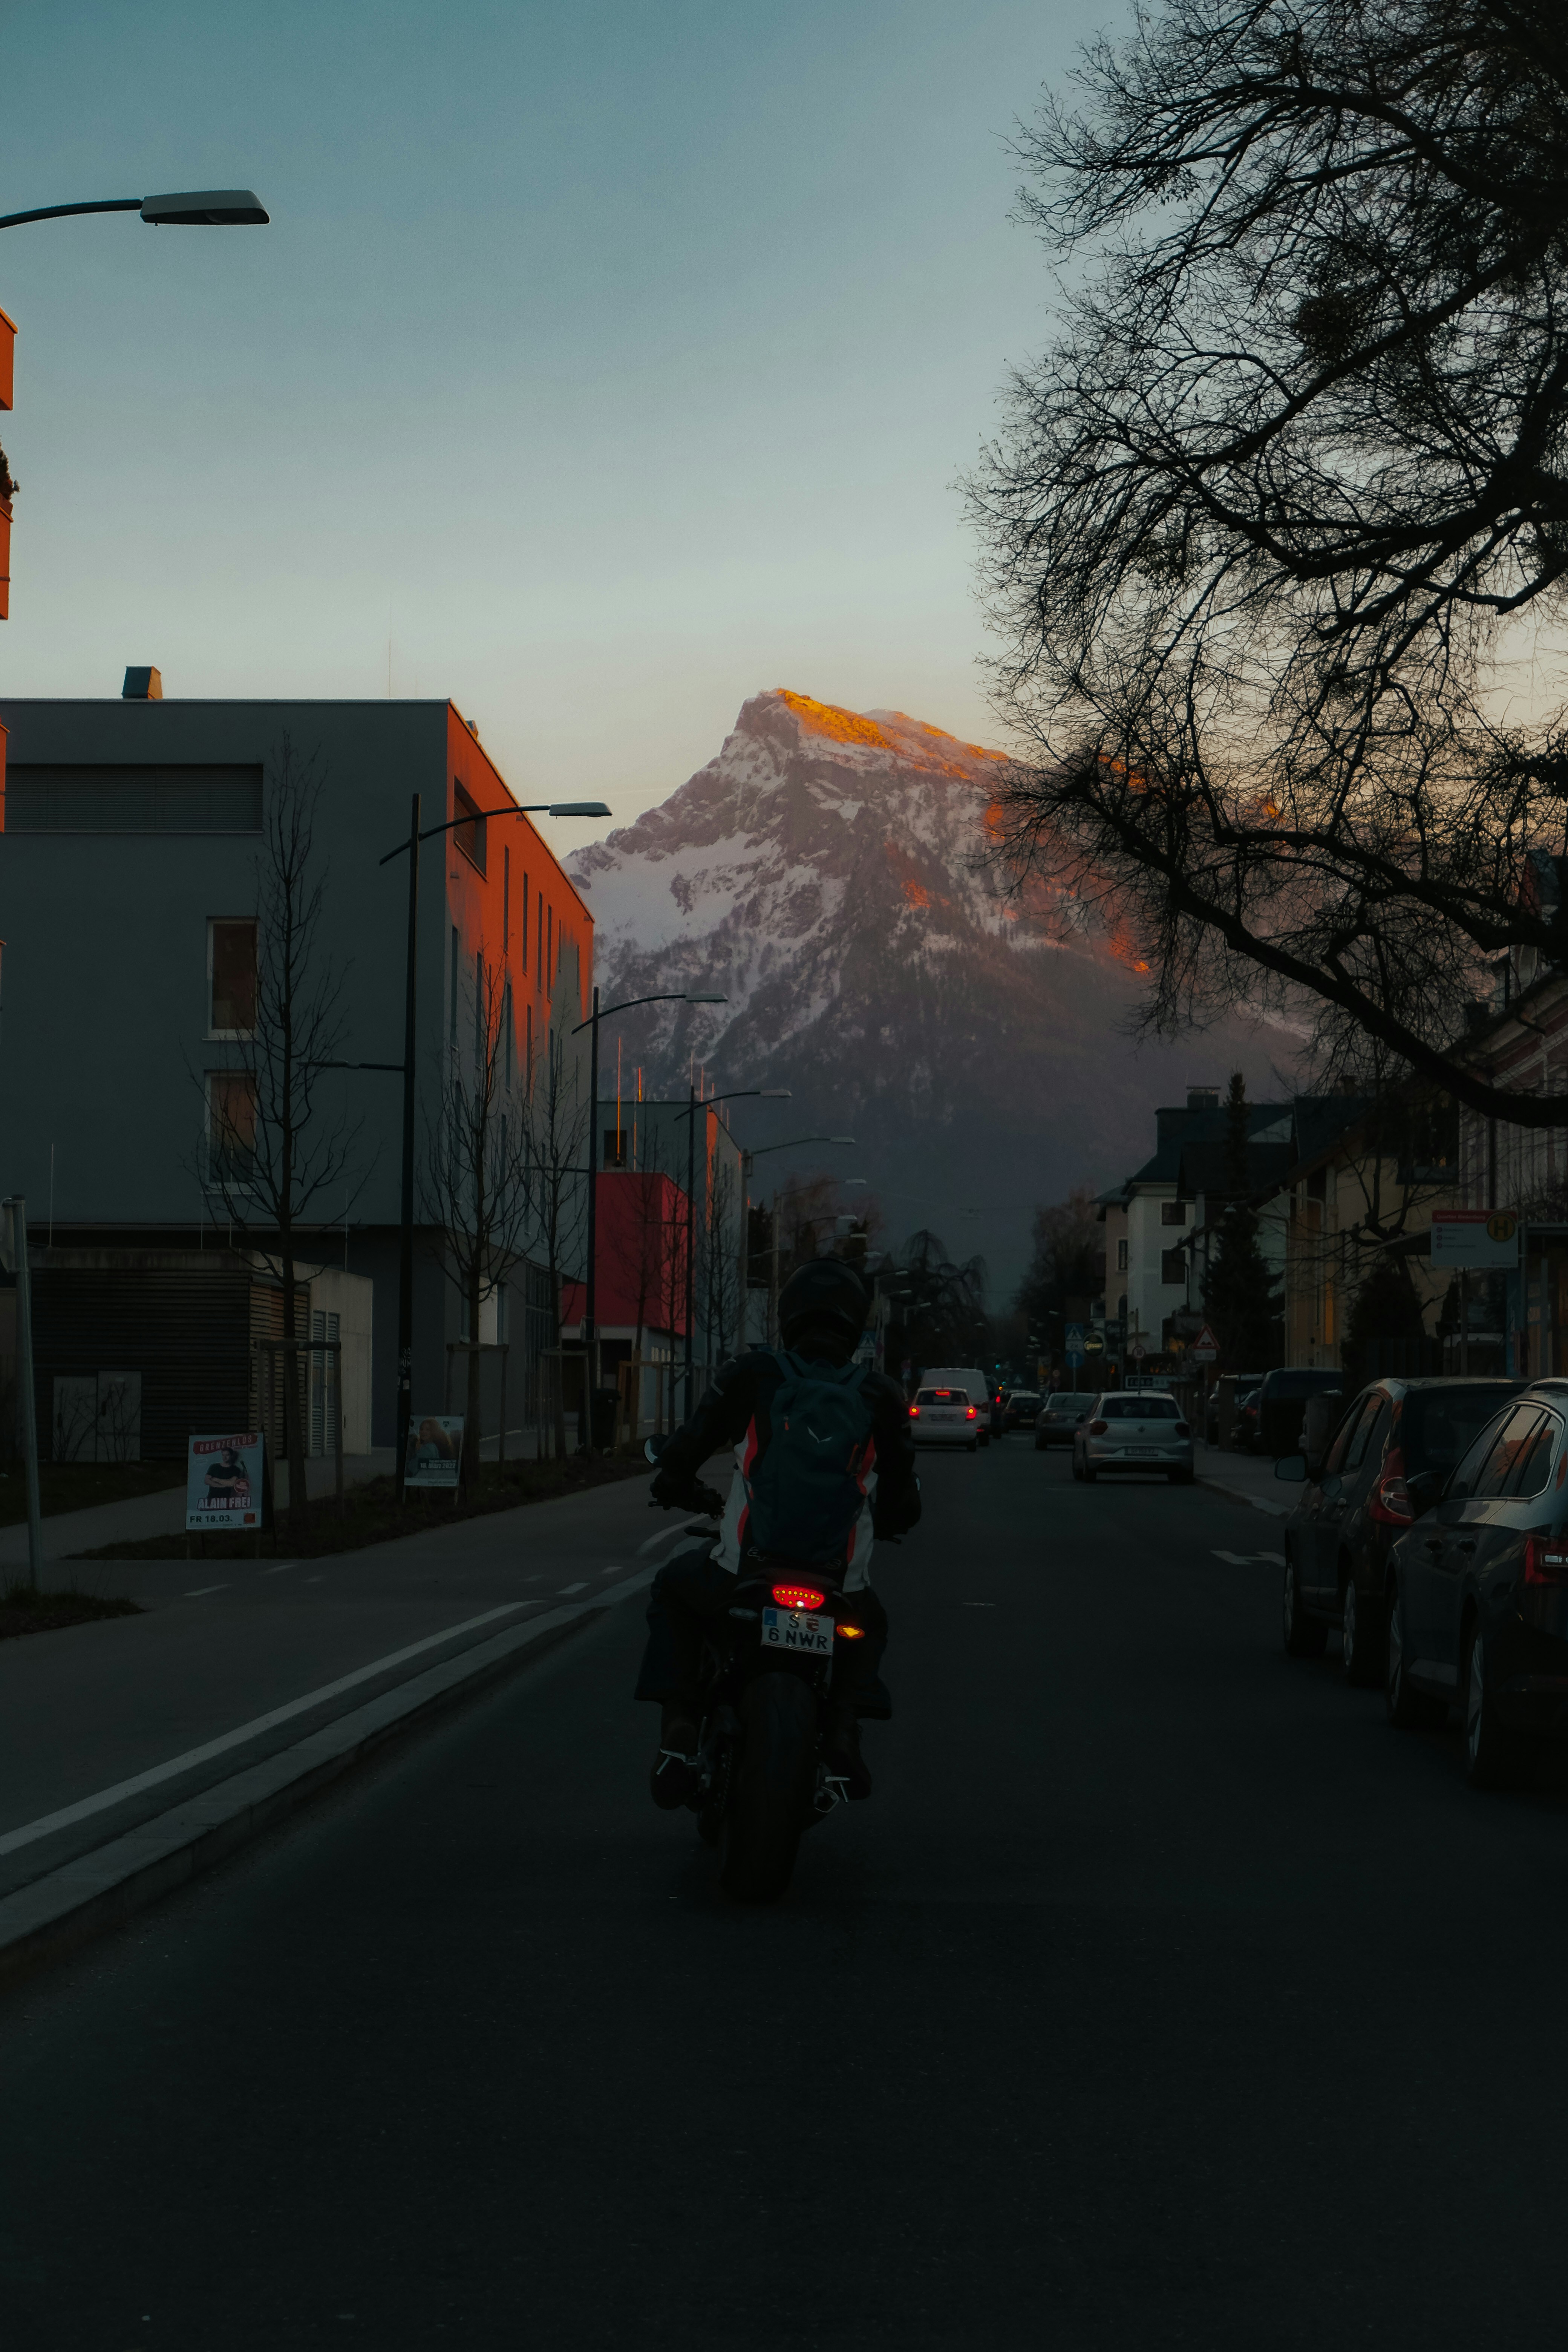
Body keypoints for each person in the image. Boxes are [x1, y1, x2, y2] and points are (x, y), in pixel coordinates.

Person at [634, 1257, 920, 1807]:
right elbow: (904, 1502)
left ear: (787, 1317)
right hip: (839, 1583)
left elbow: (687, 1449)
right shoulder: (879, 1395)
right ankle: (842, 1733)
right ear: (856, 1324)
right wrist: (888, 1522)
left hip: (745, 1570)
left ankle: (679, 1729)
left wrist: (674, 1480)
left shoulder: (753, 1375)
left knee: (674, 1590)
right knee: (870, 1622)